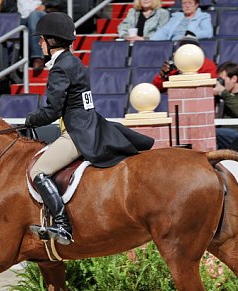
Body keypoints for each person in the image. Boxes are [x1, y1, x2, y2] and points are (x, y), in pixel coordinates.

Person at [25, 12, 155, 245]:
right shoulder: (73, 62)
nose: (40, 42)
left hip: (77, 133)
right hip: (90, 125)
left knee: (38, 171)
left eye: (42, 39)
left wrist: (29, 121)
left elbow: (53, 111)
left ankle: (63, 225)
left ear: (52, 40)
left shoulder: (60, 68)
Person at [152, 36, 217, 93]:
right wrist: (162, 76)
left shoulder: (208, 65)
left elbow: (212, 87)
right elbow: (156, 89)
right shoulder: (175, 64)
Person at [17, 0, 67, 71]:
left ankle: (37, 57)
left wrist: (45, 5)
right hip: (21, 17)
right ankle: (16, 62)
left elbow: (60, 2)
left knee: (34, 16)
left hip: (44, 13)